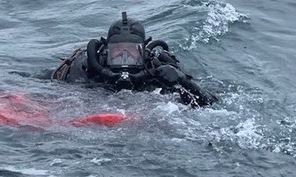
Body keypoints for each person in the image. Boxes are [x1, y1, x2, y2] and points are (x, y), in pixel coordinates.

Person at [43, 12, 216, 107]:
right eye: (117, 52)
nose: (124, 58)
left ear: (144, 51)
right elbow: (47, 84)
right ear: (106, 50)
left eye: (132, 53)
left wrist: (183, 80)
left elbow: (210, 103)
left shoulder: (155, 68)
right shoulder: (88, 68)